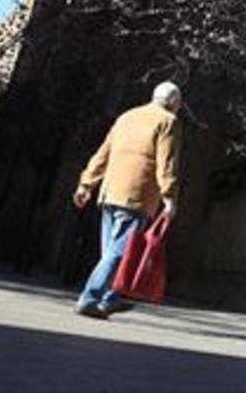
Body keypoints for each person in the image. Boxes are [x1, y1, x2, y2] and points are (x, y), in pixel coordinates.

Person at [71, 81, 183, 319]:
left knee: (112, 252)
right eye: (179, 102)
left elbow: (104, 152)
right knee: (119, 252)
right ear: (174, 102)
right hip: (137, 195)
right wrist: (170, 198)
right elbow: (167, 163)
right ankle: (90, 298)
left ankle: (108, 299)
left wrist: (86, 183)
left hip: (110, 192)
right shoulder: (168, 122)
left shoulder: (127, 117)